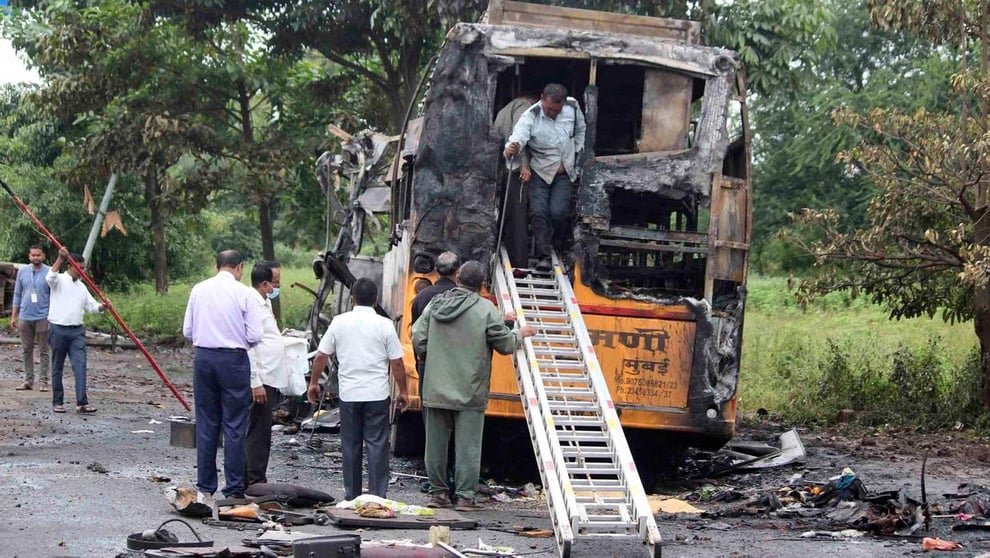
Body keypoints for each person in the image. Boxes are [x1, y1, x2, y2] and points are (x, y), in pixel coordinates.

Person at [411, 261, 536, 510]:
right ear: (482, 285)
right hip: (470, 389)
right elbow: (505, 345)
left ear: (458, 277)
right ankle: (465, 497)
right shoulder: (485, 309)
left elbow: (417, 336)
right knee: (468, 447)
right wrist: (519, 333)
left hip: (436, 386)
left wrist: (431, 357)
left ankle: (438, 494)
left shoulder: (437, 304)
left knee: (435, 445)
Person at [307, 278, 409, 501]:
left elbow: (322, 355)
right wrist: (403, 391)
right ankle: (377, 497)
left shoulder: (339, 322)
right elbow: (397, 363)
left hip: (350, 395)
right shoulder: (385, 325)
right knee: (377, 445)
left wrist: (314, 383)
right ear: (375, 301)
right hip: (377, 394)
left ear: (352, 298)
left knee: (350, 445)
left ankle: (352, 497)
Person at [183, 250, 265, 507]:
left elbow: (187, 330)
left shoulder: (199, 289)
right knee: (234, 425)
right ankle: (233, 489)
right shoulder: (245, 293)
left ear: (216, 265)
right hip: (233, 360)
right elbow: (255, 335)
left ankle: (205, 488)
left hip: (204, 358)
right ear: (239, 267)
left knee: (207, 423)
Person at [504, 83, 587, 271]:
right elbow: (518, 137)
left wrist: (577, 152)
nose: (552, 113)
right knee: (539, 213)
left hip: (564, 172)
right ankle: (544, 257)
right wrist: (511, 148)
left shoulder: (573, 108)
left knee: (558, 212)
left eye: (556, 111)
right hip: (540, 172)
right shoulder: (530, 116)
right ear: (542, 99)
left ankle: (556, 243)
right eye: (549, 109)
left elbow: (582, 131)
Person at [46, 247, 105, 414]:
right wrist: (60, 258)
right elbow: (49, 277)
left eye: (83, 268)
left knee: (80, 365)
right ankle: (58, 402)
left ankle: (82, 402)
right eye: (79, 268)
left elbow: (92, 306)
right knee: (57, 365)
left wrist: (103, 307)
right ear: (70, 266)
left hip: (77, 331)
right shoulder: (59, 280)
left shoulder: (82, 287)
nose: (82, 271)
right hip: (58, 329)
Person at [245, 261, 288, 487]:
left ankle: (253, 477)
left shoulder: (264, 302)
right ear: (264, 284)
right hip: (260, 378)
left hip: (269, 375)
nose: (277, 287)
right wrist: (256, 381)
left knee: (262, 430)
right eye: (276, 283)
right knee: (257, 432)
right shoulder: (252, 304)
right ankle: (254, 480)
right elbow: (249, 345)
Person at [410, 251, 461, 394]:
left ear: (436, 270)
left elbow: (415, 334)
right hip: (455, 368)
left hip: (427, 363)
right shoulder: (464, 299)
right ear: (458, 272)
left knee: (429, 413)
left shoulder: (421, 297)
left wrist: (420, 362)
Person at [11, 245, 52, 392]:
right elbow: (17, 294)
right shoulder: (23, 271)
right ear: (29, 257)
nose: (36, 257)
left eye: (38, 255)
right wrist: (14, 315)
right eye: (33, 255)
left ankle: (44, 381)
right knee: (26, 349)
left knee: (44, 349)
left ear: (43, 256)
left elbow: (53, 295)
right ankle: (28, 381)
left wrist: (51, 315)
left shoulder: (49, 272)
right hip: (25, 315)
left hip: (43, 316)